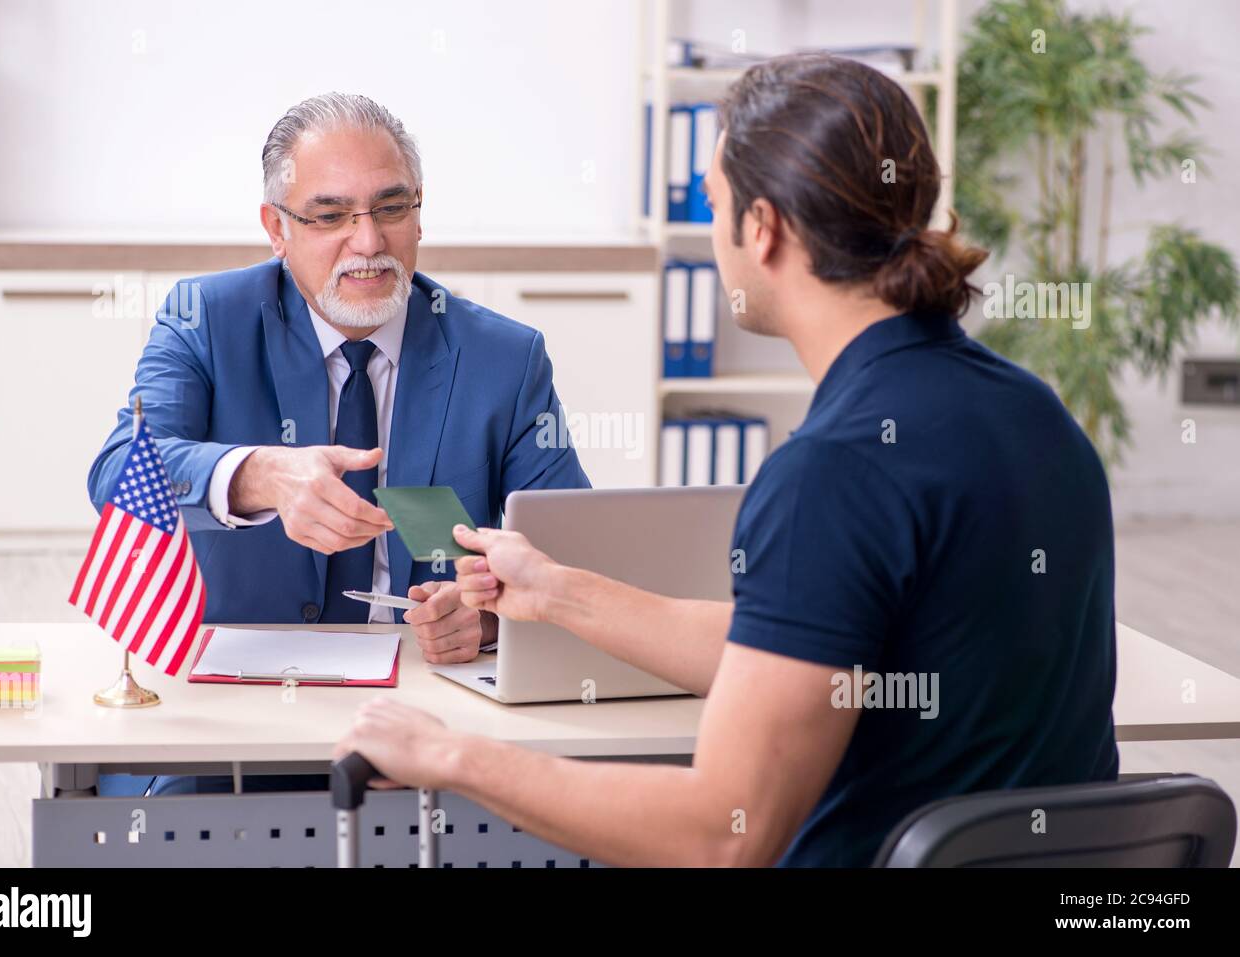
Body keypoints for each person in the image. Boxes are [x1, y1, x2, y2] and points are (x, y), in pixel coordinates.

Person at [334, 54, 1119, 867]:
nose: (711, 234)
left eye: (712, 202)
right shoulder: (1038, 414)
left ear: (762, 228)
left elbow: (721, 835)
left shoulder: (835, 472)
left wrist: (453, 755)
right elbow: (791, 651)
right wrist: (557, 590)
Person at [88, 93, 589, 797]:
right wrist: (258, 474)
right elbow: (118, 475)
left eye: (391, 208)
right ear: (276, 228)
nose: (368, 242)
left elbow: (574, 556)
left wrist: (490, 617)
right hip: (233, 706)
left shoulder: (504, 357)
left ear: (420, 212)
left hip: (427, 708)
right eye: (330, 216)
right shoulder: (204, 319)